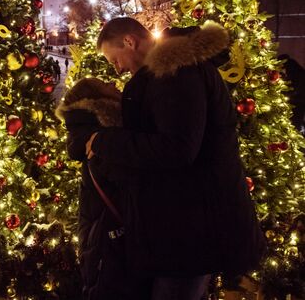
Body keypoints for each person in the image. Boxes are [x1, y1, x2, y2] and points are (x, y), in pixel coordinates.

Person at [82, 18, 266, 299]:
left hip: (193, 232)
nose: (116, 68)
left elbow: (176, 148)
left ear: (130, 42)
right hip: (184, 225)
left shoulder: (176, 72)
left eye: (113, 59)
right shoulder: (165, 73)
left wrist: (106, 141)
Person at [56, 77, 127, 299]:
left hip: (100, 238)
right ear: (97, 101)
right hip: (109, 242)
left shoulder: (92, 136)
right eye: (105, 85)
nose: (114, 85)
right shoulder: (103, 141)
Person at [278, 54, 305, 133]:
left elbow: (295, 86)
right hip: (299, 100)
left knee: (293, 124)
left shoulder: (290, 67)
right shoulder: (296, 67)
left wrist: (286, 94)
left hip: (296, 101)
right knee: (295, 125)